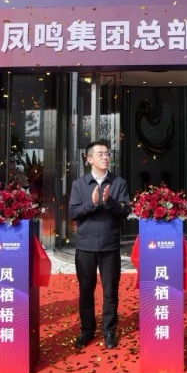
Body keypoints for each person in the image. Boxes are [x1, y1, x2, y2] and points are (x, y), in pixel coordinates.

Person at [68, 140, 130, 350]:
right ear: (89, 159)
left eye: (107, 153)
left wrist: (109, 202)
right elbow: (73, 212)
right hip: (85, 246)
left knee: (110, 291)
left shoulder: (118, 183)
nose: (105, 157)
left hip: (110, 246)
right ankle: (87, 330)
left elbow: (125, 211)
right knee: (86, 290)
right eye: (100, 154)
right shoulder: (79, 184)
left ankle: (109, 330)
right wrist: (92, 204)